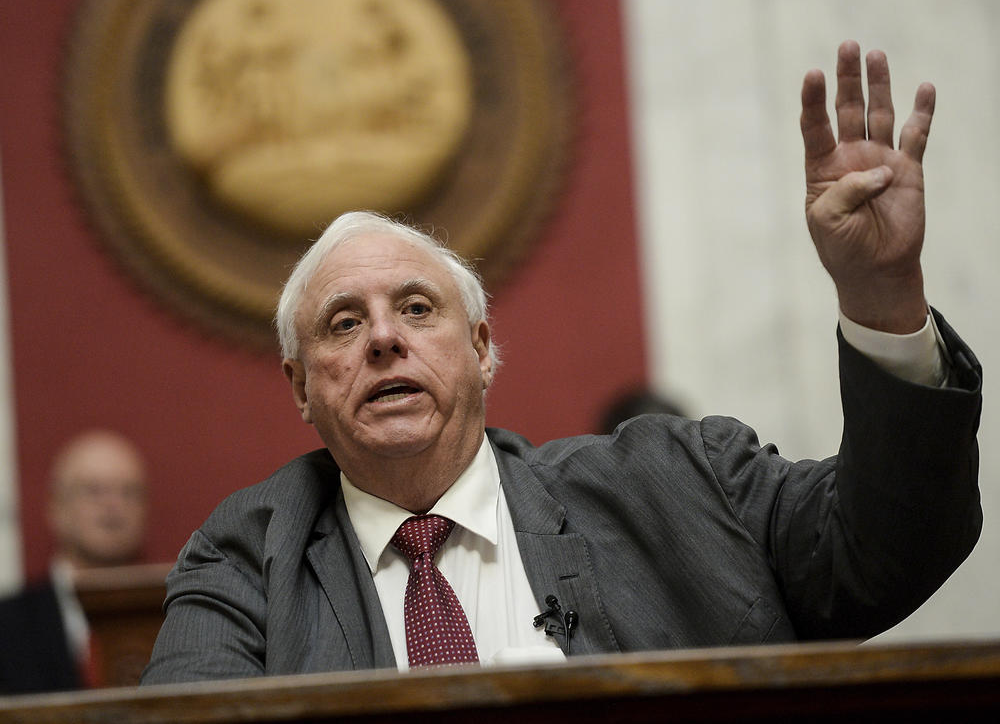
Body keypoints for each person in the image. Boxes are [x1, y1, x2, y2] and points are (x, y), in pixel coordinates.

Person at [142, 41, 982, 682]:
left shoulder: (678, 483)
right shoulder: (246, 560)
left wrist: (881, 298)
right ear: (300, 386)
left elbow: (885, 550)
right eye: (342, 323)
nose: (384, 339)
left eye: (418, 309)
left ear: (479, 350)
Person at [0, 430, 148, 694]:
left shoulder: (170, 617)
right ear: (56, 507)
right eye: (94, 490)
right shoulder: (7, 626)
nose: (113, 505)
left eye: (129, 492)